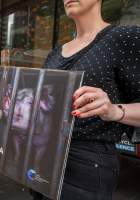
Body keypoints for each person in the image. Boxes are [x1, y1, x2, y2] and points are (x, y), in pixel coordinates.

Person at [30, 0, 140, 199]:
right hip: (44, 155)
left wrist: (115, 110)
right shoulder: (55, 53)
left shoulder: (125, 37)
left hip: (87, 163)